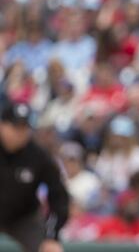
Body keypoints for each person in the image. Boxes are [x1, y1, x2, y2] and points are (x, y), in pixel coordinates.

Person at [0, 100, 69, 252]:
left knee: (52, 250)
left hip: (24, 217)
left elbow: (59, 196)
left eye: (24, 128)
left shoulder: (38, 156)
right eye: (15, 127)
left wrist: (52, 235)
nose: (20, 133)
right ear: (2, 125)